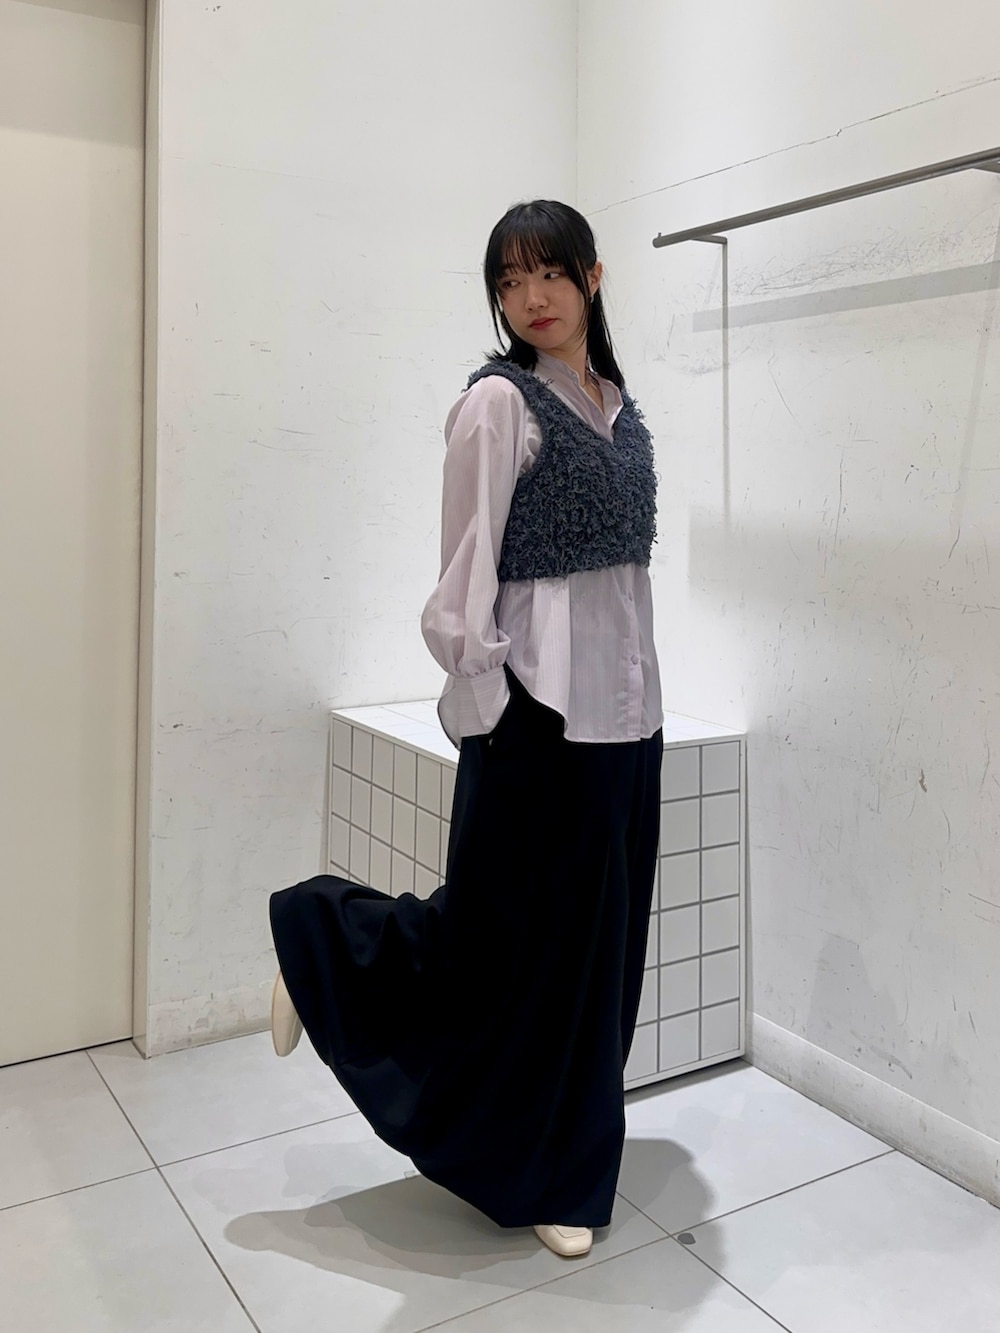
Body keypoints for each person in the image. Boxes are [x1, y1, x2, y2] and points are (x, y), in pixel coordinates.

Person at [269, 199, 663, 1259]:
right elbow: (461, 584)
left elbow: (623, 583)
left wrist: (643, 707)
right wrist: (499, 715)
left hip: (628, 724)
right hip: (540, 718)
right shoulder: (498, 405)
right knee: (501, 948)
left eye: (550, 274)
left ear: (592, 277)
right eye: (508, 281)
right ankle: (321, 939)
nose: (530, 298)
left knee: (596, 959)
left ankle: (565, 1155)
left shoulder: (621, 410)